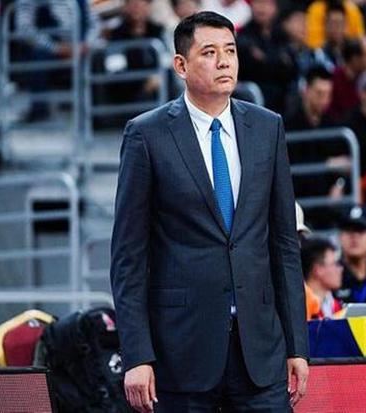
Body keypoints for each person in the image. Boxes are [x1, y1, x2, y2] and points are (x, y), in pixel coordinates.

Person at [110, 11, 309, 412]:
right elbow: (128, 257)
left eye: (230, 51)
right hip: (180, 351)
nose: (224, 62)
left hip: (261, 351)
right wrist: (137, 355)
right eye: (209, 52)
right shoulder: (146, 135)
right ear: (181, 65)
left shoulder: (268, 128)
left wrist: (297, 346)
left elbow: (284, 245)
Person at [301, 237, 344, 320]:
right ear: (318, 270)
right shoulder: (300, 307)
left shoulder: (338, 307)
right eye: (335, 264)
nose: (340, 269)